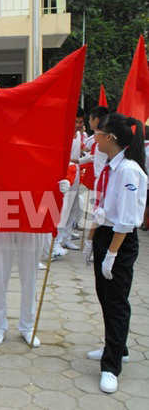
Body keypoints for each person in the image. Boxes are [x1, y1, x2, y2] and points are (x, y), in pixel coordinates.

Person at [82, 114, 147, 394]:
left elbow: (126, 219)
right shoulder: (109, 166)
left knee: (117, 301)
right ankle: (116, 347)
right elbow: (102, 206)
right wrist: (90, 239)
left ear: (110, 137)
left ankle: (112, 366)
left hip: (120, 240)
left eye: (96, 132)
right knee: (105, 296)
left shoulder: (129, 171)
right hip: (106, 236)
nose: (92, 137)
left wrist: (111, 254)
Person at [53, 107, 85, 255]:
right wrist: (79, 159)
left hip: (76, 171)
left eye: (81, 122)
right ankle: (57, 242)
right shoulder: (62, 134)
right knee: (64, 208)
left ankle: (66, 237)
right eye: (76, 121)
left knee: (73, 206)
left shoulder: (79, 134)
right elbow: (60, 156)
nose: (78, 125)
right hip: (65, 172)